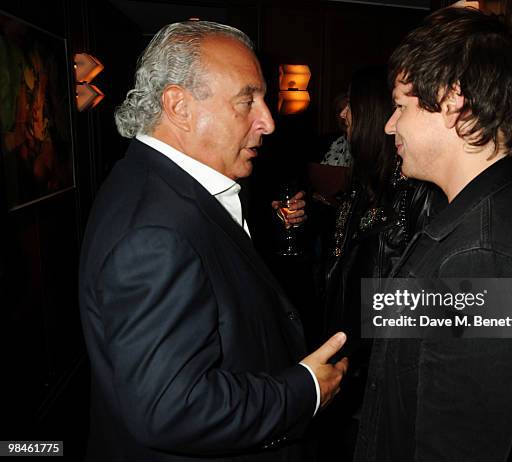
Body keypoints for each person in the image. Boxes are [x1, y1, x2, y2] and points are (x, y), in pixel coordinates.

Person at [78, 21, 348, 462]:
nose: (268, 121)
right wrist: (305, 390)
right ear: (178, 106)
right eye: (247, 100)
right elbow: (171, 407)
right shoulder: (155, 231)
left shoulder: (159, 184)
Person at [354, 7, 512, 462]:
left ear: (453, 99)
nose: (389, 125)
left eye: (400, 107)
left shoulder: (484, 253)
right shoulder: (478, 217)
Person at [320, 66, 437, 461]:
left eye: (349, 108)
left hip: (376, 373)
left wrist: (374, 370)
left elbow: (426, 303)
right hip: (350, 362)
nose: (343, 117)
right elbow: (345, 266)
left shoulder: (412, 191)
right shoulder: (360, 183)